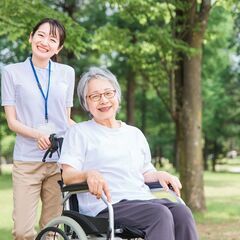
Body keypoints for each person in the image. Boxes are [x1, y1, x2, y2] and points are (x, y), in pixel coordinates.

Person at [58, 66, 199, 240]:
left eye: (108, 93)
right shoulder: (79, 132)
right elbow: (68, 175)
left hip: (142, 200)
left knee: (181, 212)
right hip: (106, 206)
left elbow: (145, 172)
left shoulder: (134, 133)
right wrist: (88, 174)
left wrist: (160, 174)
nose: (103, 100)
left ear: (117, 95)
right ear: (86, 103)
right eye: (95, 96)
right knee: (159, 214)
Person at [1, 18, 75, 240]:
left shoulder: (67, 72)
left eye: (53, 39)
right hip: (27, 161)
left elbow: (66, 119)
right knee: (23, 231)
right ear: (31, 37)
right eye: (41, 35)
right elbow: (12, 122)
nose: (45, 42)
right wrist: (38, 135)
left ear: (59, 47)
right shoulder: (12, 72)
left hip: (58, 161)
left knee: (51, 231)